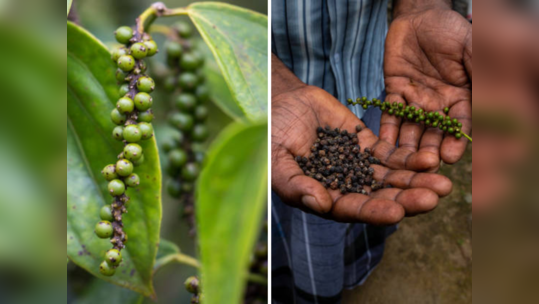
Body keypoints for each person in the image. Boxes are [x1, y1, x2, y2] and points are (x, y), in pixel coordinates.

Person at [271, 0, 472, 302]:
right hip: (280, 116)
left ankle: (355, 269)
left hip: (383, 78)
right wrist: (274, 85)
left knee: (373, 204)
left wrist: (422, 7)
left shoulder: (371, 129)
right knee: (304, 221)